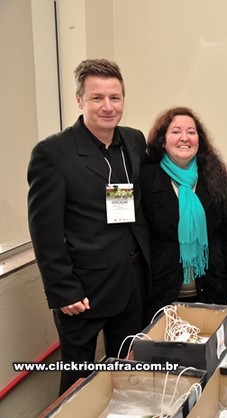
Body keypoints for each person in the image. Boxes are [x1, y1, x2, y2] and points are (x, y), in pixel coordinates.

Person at [27, 59, 150, 394]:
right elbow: (45, 230)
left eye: (115, 97)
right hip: (83, 291)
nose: (108, 106)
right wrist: (63, 290)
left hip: (132, 282)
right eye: (97, 98)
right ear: (79, 100)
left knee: (129, 376)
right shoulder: (52, 153)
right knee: (78, 381)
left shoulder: (133, 141)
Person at [140, 107, 227, 321]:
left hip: (212, 290)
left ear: (199, 139)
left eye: (191, 132)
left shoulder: (218, 177)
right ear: (162, 141)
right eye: (175, 131)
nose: (184, 138)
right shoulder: (146, 179)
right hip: (161, 294)